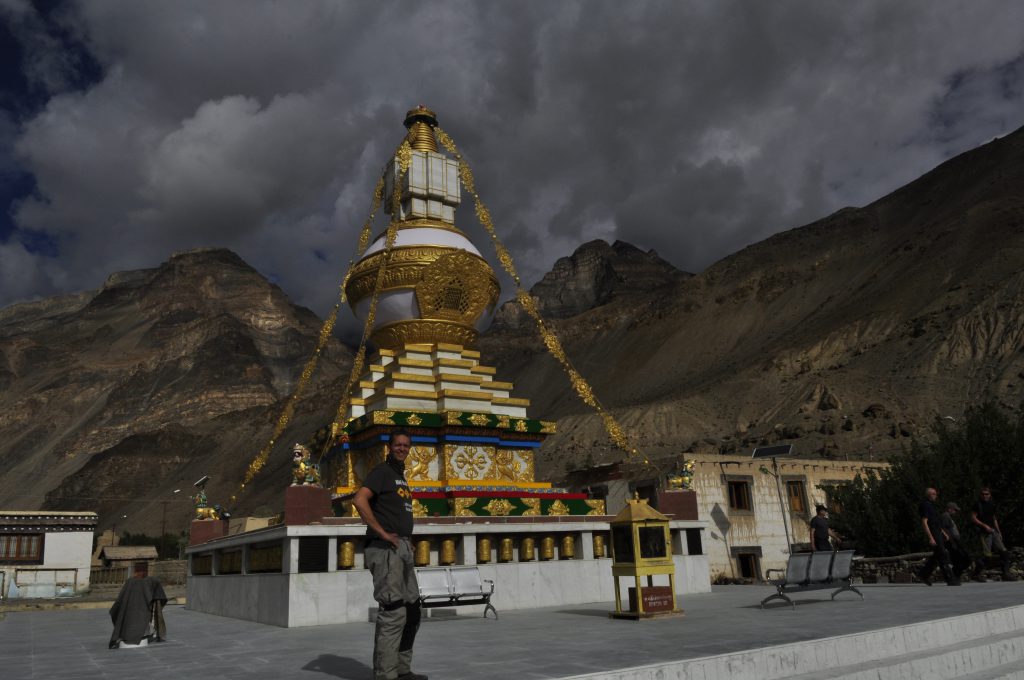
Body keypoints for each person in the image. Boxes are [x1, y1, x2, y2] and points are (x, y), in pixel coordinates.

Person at [352, 430, 427, 680]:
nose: (402, 449)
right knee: (394, 610)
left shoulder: (400, 477)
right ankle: (385, 674)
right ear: (390, 447)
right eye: (398, 445)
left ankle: (402, 670)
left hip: (401, 548)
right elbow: (360, 499)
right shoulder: (382, 472)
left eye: (406, 445)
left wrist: (407, 540)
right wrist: (383, 533)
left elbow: (399, 513)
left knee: (412, 610)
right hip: (385, 550)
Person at [109, 564, 167, 649]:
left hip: (134, 619)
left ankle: (128, 633)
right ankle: (136, 633)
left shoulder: (131, 582)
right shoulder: (150, 581)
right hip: (141, 616)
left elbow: (118, 604)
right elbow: (160, 598)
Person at [970, 487, 1016, 581]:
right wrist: (984, 526)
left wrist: (998, 531)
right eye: (983, 494)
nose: (985, 496)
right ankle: (976, 574)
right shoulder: (977, 505)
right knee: (987, 556)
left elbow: (994, 518)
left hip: (993, 531)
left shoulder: (992, 505)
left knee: (1004, 552)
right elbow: (973, 518)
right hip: (984, 532)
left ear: (990, 495)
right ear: (980, 495)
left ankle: (1005, 574)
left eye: (986, 494)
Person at [917, 487, 960, 586]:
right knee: (942, 554)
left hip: (938, 532)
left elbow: (935, 521)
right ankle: (950, 579)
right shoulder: (925, 505)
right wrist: (930, 537)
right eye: (935, 494)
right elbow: (924, 522)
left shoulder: (931, 505)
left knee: (937, 555)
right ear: (930, 495)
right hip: (933, 534)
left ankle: (923, 574)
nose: (936, 496)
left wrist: (943, 533)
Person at [940, 502, 971, 581]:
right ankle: (955, 575)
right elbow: (945, 529)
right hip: (952, 542)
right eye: (955, 510)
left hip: (955, 542)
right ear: (949, 509)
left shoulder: (948, 517)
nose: (955, 512)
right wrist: (953, 541)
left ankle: (955, 575)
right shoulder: (945, 516)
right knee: (962, 559)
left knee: (961, 559)